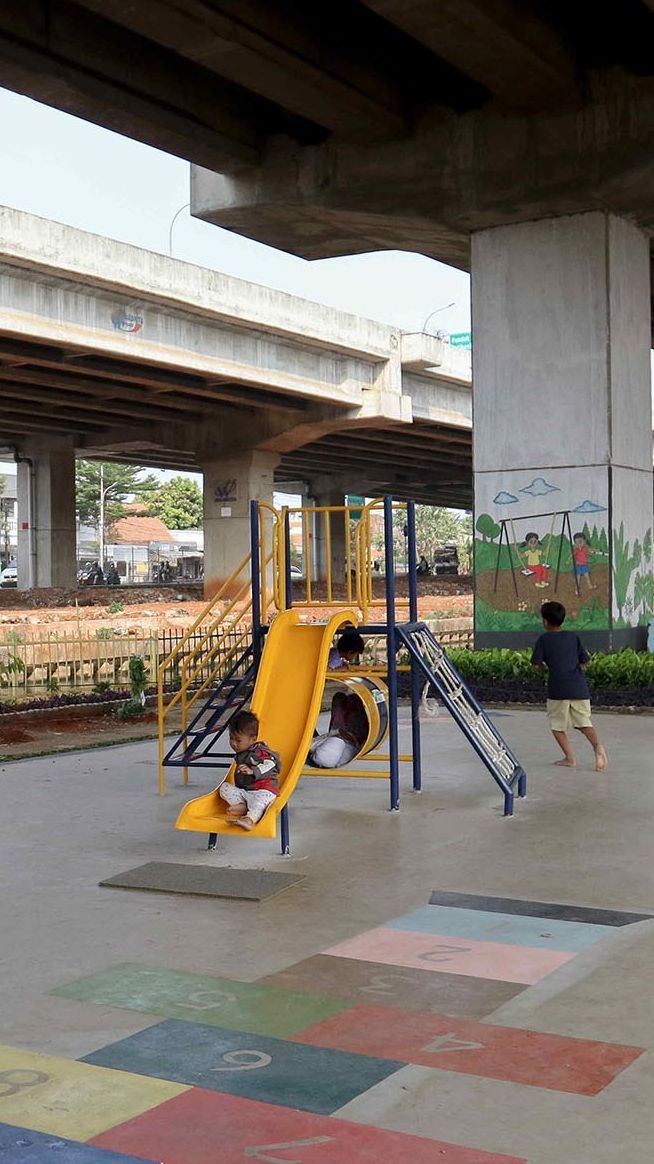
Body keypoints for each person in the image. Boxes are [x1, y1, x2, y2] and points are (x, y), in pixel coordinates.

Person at [531, 600, 607, 771]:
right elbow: (585, 661)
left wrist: (544, 669)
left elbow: (536, 664)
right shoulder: (573, 637)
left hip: (558, 689)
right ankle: (597, 748)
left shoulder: (544, 640)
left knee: (557, 726)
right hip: (579, 688)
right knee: (584, 723)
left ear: (545, 621)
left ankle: (570, 758)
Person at [219, 709, 281, 830]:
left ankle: (249, 819)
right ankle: (243, 806)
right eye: (231, 738)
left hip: (264, 790)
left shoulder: (259, 752)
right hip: (247, 791)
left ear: (253, 739)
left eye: (238, 740)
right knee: (224, 788)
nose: (233, 743)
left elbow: (271, 764)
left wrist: (253, 771)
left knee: (259, 802)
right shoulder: (242, 753)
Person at [308, 690, 368, 769]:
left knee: (342, 698)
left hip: (337, 746)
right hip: (347, 742)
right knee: (346, 699)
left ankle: (341, 734)